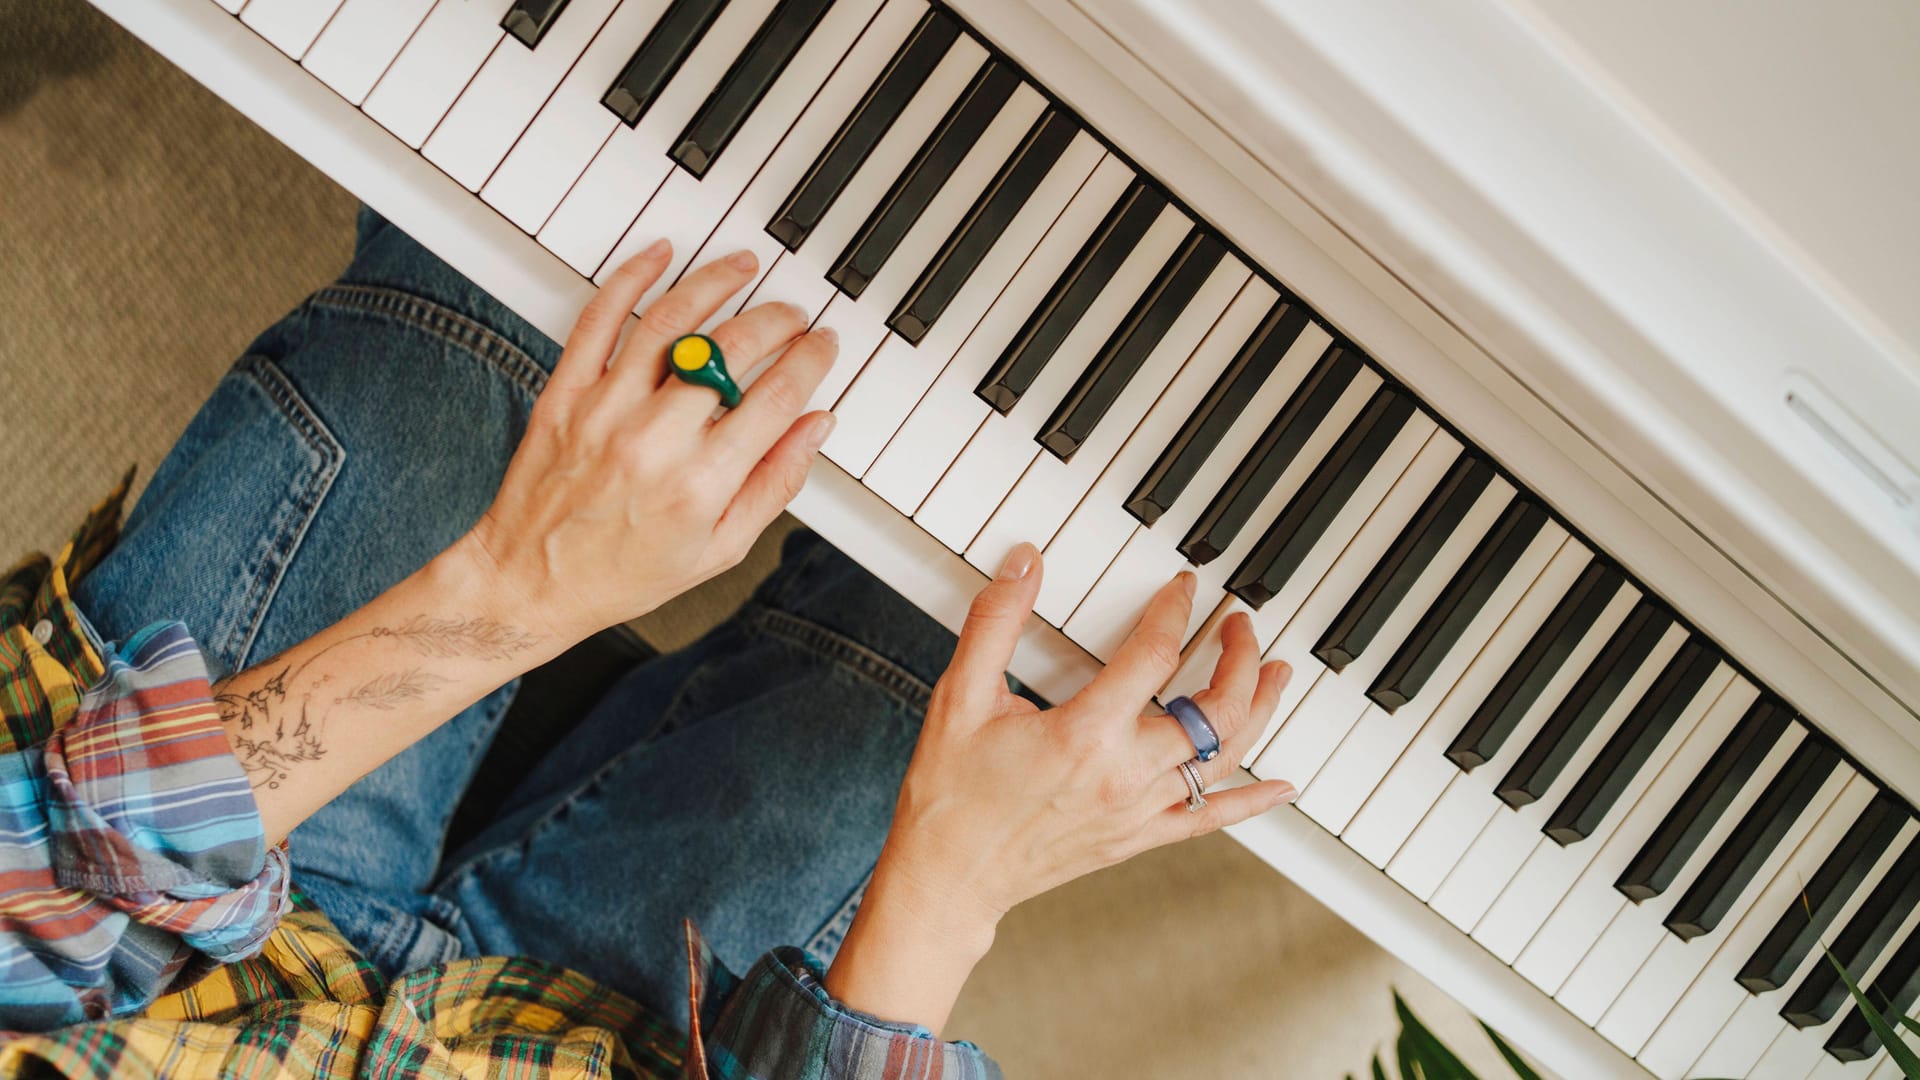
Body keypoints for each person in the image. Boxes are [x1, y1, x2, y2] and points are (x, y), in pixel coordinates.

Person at [0, 210, 1297, 1078]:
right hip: (614, 1037)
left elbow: (24, 907)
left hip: (130, 927)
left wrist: (516, 584)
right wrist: (955, 880)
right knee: (1020, 637)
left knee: (474, 347)